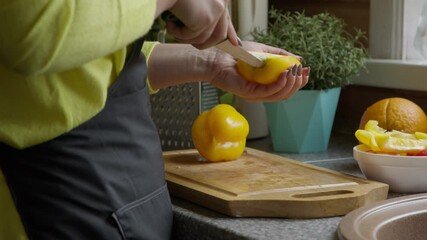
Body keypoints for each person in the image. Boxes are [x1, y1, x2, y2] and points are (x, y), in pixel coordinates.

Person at [0, 1, 309, 239]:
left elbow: (87, 67)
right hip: (54, 201)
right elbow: (33, 32)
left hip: (120, 200)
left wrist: (211, 63)